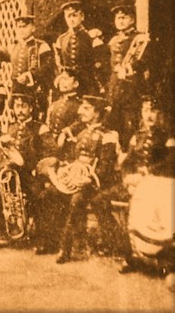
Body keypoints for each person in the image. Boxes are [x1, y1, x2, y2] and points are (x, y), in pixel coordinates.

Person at [51, 94, 121, 264]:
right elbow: (73, 158)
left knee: (77, 200)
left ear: (97, 113)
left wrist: (89, 179)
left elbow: (105, 168)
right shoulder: (82, 132)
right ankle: (60, 242)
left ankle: (65, 249)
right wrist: (65, 170)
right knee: (51, 192)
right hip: (79, 179)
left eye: (86, 108)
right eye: (82, 107)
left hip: (97, 183)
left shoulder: (109, 135)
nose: (81, 111)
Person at [118, 95, 175, 273]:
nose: (149, 115)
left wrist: (145, 173)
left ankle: (161, 256)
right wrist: (127, 179)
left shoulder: (168, 136)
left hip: (158, 183)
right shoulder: (138, 136)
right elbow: (127, 163)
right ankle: (129, 254)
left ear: (160, 114)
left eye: (153, 110)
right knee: (100, 201)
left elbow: (170, 162)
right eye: (145, 110)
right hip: (135, 183)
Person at [0, 89, 57, 254]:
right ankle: (9, 230)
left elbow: (50, 153)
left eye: (23, 107)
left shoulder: (40, 128)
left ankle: (43, 239)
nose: (20, 110)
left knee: (39, 196)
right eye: (17, 106)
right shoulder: (10, 127)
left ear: (31, 108)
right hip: (12, 174)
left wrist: (38, 170)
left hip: (32, 174)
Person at [105, 5, 150, 149]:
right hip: (115, 86)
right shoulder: (113, 40)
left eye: (124, 18)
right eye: (118, 18)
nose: (120, 21)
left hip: (131, 85)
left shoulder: (139, 39)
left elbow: (142, 61)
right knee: (114, 121)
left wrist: (130, 69)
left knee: (129, 121)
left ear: (132, 19)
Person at [54, 1, 105, 96]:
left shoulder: (91, 37)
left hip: (88, 84)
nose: (71, 19)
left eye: (74, 15)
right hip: (69, 85)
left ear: (82, 17)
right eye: (68, 16)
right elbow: (59, 64)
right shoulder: (61, 40)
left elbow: (100, 63)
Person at [7, 14, 55, 118]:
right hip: (17, 91)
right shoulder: (14, 47)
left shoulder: (41, 45)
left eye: (25, 26)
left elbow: (48, 68)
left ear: (33, 28)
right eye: (19, 27)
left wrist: (29, 76)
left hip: (34, 91)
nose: (22, 30)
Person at [46, 69, 81, 146]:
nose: (62, 82)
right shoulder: (55, 103)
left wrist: (65, 134)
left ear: (75, 84)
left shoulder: (79, 105)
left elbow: (80, 123)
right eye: (61, 79)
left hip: (68, 144)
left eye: (65, 79)